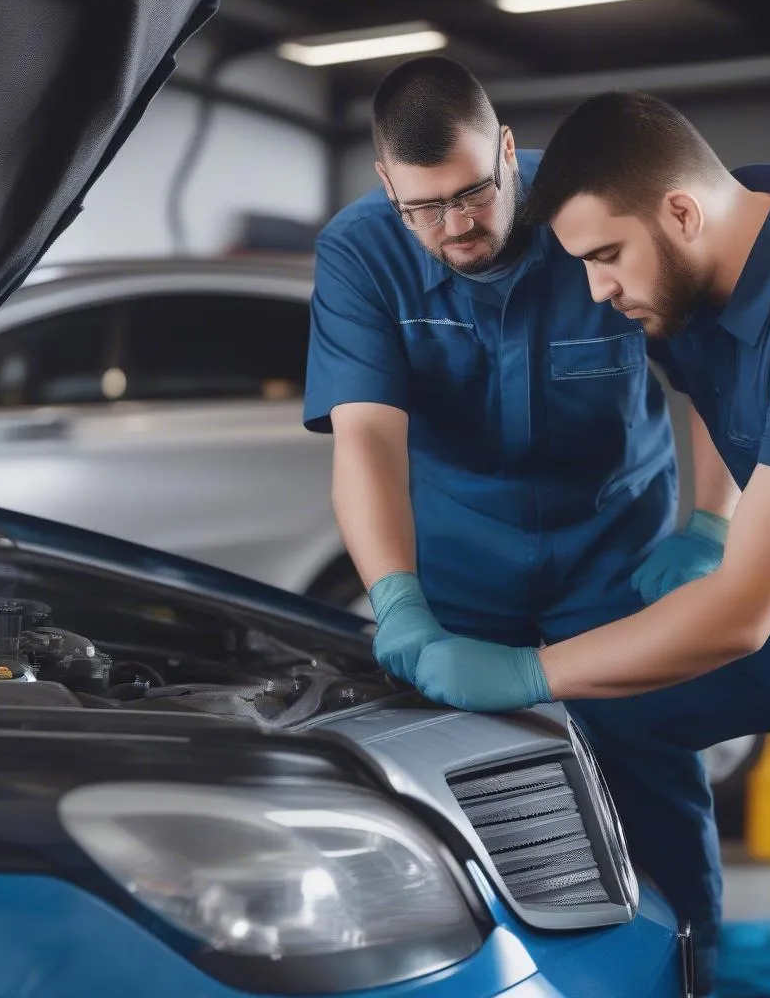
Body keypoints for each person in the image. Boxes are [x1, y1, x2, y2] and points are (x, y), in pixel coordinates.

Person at [408, 89, 770, 998]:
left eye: (606, 256)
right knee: (610, 721)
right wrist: (713, 520)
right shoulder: (697, 282)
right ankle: (677, 959)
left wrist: (528, 670)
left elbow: (739, 612)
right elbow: (718, 394)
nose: (597, 288)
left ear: (681, 209)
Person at [303, 59, 740, 990]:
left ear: (508, 152)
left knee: (648, 766)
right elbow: (367, 442)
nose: (458, 223)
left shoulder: (590, 206)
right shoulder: (360, 251)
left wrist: (710, 525)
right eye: (426, 207)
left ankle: (696, 964)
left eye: (473, 192)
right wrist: (399, 602)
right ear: (387, 187)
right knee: (454, 783)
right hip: (461, 562)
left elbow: (707, 370)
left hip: (615, 550)